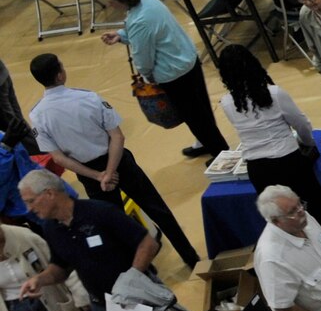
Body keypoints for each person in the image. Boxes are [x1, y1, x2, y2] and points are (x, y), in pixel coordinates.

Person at [27, 54, 199, 267]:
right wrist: (110, 171)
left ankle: (143, 270)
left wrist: (99, 176)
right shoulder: (88, 98)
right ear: (60, 73)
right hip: (118, 163)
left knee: (114, 225)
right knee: (158, 210)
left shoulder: (37, 115)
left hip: (90, 175)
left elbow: (58, 158)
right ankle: (191, 258)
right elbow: (117, 136)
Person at [17, 169, 160, 311]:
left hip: (135, 298)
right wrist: (39, 279)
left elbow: (148, 244)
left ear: (49, 193)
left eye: (31, 201)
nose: (29, 209)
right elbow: (60, 268)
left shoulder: (100, 212)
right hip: (102, 306)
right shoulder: (51, 229)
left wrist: (130, 281)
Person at [96, 0, 228, 161]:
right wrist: (121, 35)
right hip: (188, 59)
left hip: (174, 74)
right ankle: (210, 143)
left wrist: (147, 76)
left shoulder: (138, 21)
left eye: (111, 1)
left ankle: (221, 153)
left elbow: (143, 57)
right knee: (202, 110)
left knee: (195, 118)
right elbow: (149, 32)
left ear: (121, 0)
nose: (110, 5)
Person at [220, 49, 321, 232]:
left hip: (258, 168)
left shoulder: (227, 102)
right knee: (312, 210)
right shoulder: (274, 94)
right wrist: (308, 143)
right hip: (288, 162)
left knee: (280, 218)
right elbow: (301, 124)